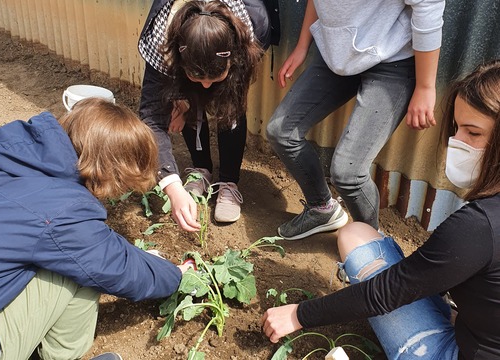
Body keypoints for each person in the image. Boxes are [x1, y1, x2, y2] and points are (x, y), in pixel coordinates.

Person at [262, 60, 500, 359]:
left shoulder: (478, 226)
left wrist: (299, 315)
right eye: (456, 129)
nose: (456, 143)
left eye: (473, 133)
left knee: (357, 240)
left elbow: (387, 292)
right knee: (357, 233)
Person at [0, 98, 192, 360]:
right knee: (80, 272)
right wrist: (175, 275)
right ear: (111, 170)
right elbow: (114, 267)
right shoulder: (61, 208)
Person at [266, 0, 445, 240]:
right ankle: (322, 209)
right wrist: (302, 46)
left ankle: (371, 245)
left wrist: (425, 86)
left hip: (391, 58)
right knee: (280, 131)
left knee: (348, 174)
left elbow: (428, 8)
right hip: (336, 54)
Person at [137, 0, 271, 230]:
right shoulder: (161, 43)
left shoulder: (252, 28)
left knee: (230, 104)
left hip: (239, 34)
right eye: (197, 77)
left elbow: (229, 83)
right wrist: (172, 186)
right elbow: (151, 120)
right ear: (178, 60)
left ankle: (228, 181)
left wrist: (209, 86)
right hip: (178, 47)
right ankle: (201, 169)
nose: (207, 86)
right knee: (190, 97)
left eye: (215, 77)